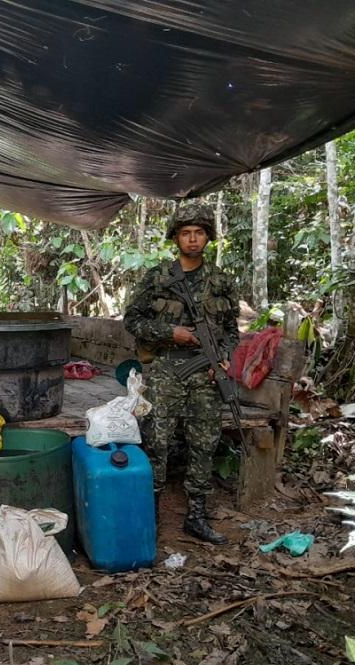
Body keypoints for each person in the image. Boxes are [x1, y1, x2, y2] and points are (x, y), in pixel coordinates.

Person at [123, 204, 240, 544]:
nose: (193, 239)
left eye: (199, 233)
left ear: (208, 238)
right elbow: (132, 320)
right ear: (176, 237)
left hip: (205, 373)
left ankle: (197, 517)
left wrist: (224, 358)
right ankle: (152, 514)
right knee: (157, 442)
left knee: (204, 443)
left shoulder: (220, 281)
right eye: (186, 233)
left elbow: (232, 329)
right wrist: (169, 333)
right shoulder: (158, 276)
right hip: (164, 371)